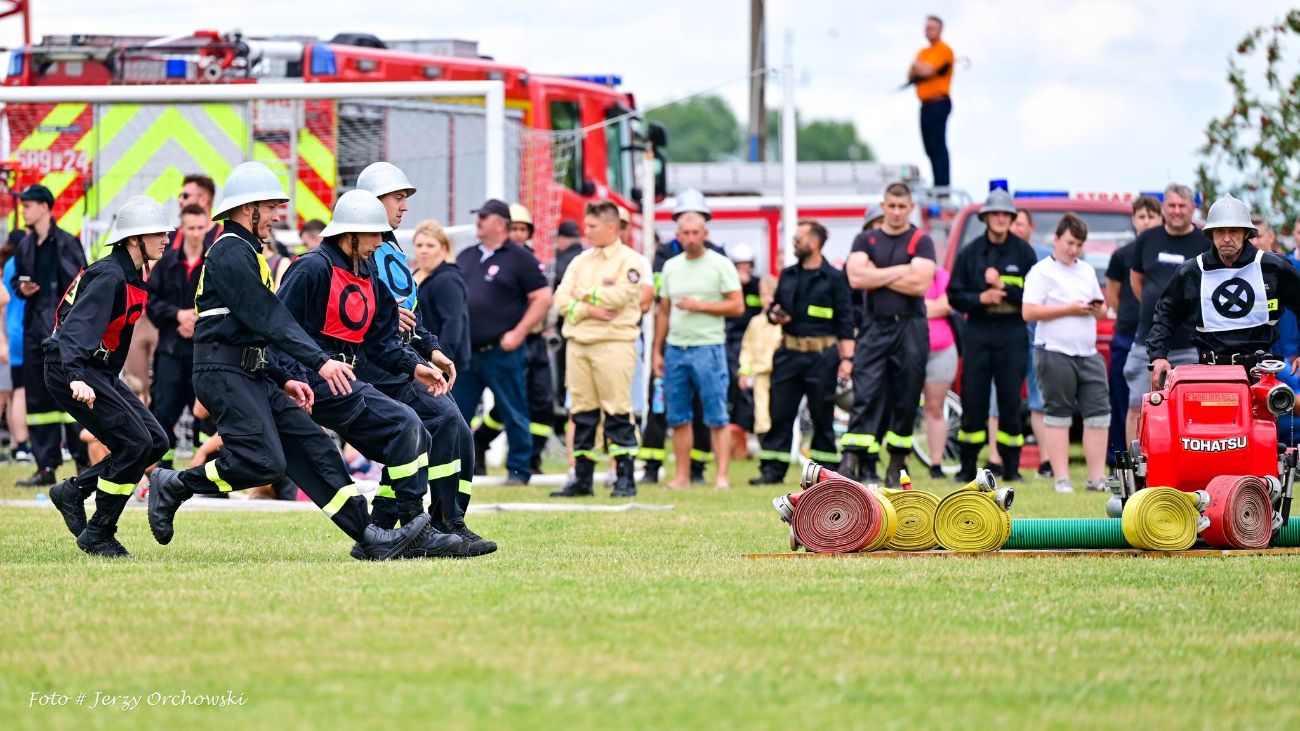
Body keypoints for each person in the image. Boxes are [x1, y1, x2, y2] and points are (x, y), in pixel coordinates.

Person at [146, 161, 431, 562]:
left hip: (252, 370)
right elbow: (269, 316)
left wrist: (282, 376)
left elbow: (259, 327)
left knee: (316, 447)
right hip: (222, 372)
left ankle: (369, 535)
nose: (279, 215)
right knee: (264, 462)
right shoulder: (229, 251)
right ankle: (175, 483)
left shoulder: (247, 250)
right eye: (273, 206)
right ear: (249, 209)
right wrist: (319, 362)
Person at [276, 189, 465, 558]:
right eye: (374, 235)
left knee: (410, 430)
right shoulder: (311, 267)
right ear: (350, 234)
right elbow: (276, 327)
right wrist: (288, 378)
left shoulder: (365, 273)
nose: (381, 243)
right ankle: (412, 530)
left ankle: (386, 532)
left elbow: (381, 343)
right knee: (406, 424)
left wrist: (417, 368)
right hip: (311, 380)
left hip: (345, 379)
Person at [356, 162, 494, 553]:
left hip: (404, 357)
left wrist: (432, 349)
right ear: (373, 200)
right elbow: (355, 315)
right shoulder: (358, 249)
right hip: (380, 366)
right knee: (446, 423)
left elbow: (407, 316)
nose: (404, 207)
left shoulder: (390, 247)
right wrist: (379, 319)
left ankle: (382, 524)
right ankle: (444, 524)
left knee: (443, 431)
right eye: (398, 198)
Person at [43, 197, 171, 557]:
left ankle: (73, 491)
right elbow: (73, 333)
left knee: (156, 441)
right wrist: (75, 376)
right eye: (157, 233)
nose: (165, 239)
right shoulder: (110, 276)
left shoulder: (135, 275)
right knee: (134, 444)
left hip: (94, 370)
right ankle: (99, 532)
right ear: (134, 240)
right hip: (73, 368)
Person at [549, 200, 647, 498]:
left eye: (592, 226)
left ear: (611, 227)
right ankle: (582, 478)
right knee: (582, 413)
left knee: (617, 411)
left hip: (614, 344)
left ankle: (625, 477)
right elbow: (560, 299)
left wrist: (584, 295)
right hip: (579, 344)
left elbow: (621, 295)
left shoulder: (631, 260)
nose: (586, 231)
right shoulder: (580, 260)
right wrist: (590, 308)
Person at [1148, 195, 1300, 384]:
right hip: (1209, 374)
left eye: (1233, 231)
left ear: (1246, 233)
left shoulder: (1273, 267)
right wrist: (1158, 356)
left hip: (1260, 374)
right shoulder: (1192, 271)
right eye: (1220, 231)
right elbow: (1165, 315)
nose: (1226, 238)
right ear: (1211, 234)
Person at [452, 198, 552, 485]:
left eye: (484, 217)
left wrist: (519, 332)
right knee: (457, 412)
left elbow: (543, 298)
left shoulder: (520, 258)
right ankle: (457, 470)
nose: (478, 221)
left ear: (500, 223)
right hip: (468, 352)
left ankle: (519, 471)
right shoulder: (467, 255)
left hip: (502, 350)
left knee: (513, 410)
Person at [842, 183, 936, 486]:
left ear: (911, 208)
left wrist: (878, 274)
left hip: (910, 326)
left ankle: (896, 465)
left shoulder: (921, 241)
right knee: (865, 393)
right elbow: (856, 277)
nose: (896, 212)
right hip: (874, 326)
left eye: (902, 207)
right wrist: (901, 270)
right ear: (883, 207)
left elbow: (920, 285)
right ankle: (851, 461)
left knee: (906, 396)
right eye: (891, 206)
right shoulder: (865, 238)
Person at [752, 220, 854, 485]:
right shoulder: (788, 274)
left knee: (822, 415)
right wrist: (775, 315)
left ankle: (825, 473)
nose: (795, 243)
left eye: (799, 239)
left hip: (822, 356)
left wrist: (847, 360)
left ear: (815, 243)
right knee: (781, 412)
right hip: (788, 352)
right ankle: (772, 470)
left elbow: (845, 319)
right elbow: (774, 308)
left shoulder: (834, 278)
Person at [947, 188, 1039, 482]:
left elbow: (1034, 295)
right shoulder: (970, 253)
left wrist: (1005, 288)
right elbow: (954, 295)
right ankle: (967, 467)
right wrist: (981, 298)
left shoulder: (1023, 252)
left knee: (1011, 399)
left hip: (1012, 331)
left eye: (1005, 214)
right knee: (973, 398)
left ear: (1011, 218)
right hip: (978, 330)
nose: (1000, 219)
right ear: (985, 217)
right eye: (994, 214)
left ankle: (1011, 468)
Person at [653, 209, 744, 489]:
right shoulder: (670, 267)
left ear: (705, 235)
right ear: (677, 236)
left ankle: (721, 476)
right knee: (678, 416)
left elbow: (737, 306)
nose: (691, 238)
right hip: (676, 349)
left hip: (709, 348)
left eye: (696, 233)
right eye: (685, 233)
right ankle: (681, 476)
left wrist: (700, 305)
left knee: (716, 415)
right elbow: (664, 312)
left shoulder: (721, 264)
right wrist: (658, 350)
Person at [640, 189, 724, 485]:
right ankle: (651, 465)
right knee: (662, 405)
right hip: (672, 341)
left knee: (702, 409)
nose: (690, 235)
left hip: (705, 342)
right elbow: (661, 301)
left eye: (697, 226)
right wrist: (657, 349)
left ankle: (698, 468)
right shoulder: (665, 255)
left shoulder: (717, 254)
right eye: (684, 227)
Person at [1022, 213, 1110, 493]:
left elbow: (1103, 309)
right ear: (1056, 239)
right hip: (1054, 352)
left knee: (1099, 413)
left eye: (1079, 245)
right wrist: (1068, 309)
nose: (1073, 249)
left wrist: (1098, 309)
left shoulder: (1085, 270)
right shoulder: (1041, 272)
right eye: (1069, 243)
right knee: (1058, 414)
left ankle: (1095, 479)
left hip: (1087, 352)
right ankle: (1062, 478)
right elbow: (1029, 312)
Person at [12, 184, 87, 487]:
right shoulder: (25, 246)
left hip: (62, 332)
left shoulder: (67, 243)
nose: (24, 211)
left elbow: (82, 282)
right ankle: (46, 467)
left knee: (73, 399)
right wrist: (21, 288)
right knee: (38, 403)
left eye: (28, 206)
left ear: (45, 208)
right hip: (33, 332)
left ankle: (84, 461)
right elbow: (18, 280)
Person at [1123, 184, 1206, 441]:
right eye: (1172, 205)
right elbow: (1137, 281)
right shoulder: (1147, 239)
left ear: (1193, 208)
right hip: (1145, 343)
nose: (1177, 211)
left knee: (1189, 410)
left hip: (1189, 343)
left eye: (1183, 205)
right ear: (1163, 208)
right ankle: (1134, 469)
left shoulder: (1205, 240)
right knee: (1138, 406)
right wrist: (1159, 310)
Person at [147, 203, 209, 465]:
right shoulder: (166, 263)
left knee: (204, 415)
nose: (195, 233)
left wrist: (198, 320)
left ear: (207, 228)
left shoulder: (213, 262)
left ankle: (203, 469)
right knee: (163, 411)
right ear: (183, 228)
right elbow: (150, 301)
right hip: (170, 350)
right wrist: (177, 315)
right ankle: (163, 469)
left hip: (202, 352)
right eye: (190, 228)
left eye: (200, 228)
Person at [1104, 195, 1161, 462]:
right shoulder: (1121, 255)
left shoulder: (1164, 253)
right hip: (1127, 335)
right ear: (1133, 220)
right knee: (1122, 399)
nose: (1146, 221)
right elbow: (1113, 294)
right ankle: (1118, 458)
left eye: (1151, 216)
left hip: (1159, 337)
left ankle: (1156, 456)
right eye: (1141, 216)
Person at [413, 220, 470, 376]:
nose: (423, 250)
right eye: (419, 245)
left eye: (430, 245)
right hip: (419, 360)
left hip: (445, 364)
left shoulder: (448, 279)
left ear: (444, 248)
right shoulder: (412, 276)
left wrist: (440, 362)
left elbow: (452, 324)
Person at [909, 15, 955, 191]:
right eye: (927, 28)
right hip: (925, 105)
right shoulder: (923, 52)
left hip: (939, 102)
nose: (929, 31)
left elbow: (928, 70)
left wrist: (920, 67)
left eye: (932, 28)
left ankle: (943, 186)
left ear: (940, 30)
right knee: (929, 147)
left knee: (938, 145)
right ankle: (937, 184)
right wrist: (919, 67)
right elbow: (912, 73)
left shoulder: (944, 50)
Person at [724, 243, 762, 446]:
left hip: (752, 342)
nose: (744, 269)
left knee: (748, 387)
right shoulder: (726, 285)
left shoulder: (757, 284)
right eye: (739, 265)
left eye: (747, 264)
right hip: (729, 340)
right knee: (731, 385)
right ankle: (730, 433)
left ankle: (747, 431)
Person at [923, 262, 957, 478]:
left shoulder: (940, 275)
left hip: (942, 349)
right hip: (908, 349)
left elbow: (946, 305)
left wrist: (918, 308)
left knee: (935, 407)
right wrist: (930, 306)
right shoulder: (904, 275)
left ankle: (936, 464)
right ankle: (900, 465)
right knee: (904, 409)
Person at [738, 276, 782, 437]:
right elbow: (747, 349)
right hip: (760, 376)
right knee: (761, 413)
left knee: (779, 412)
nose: (767, 299)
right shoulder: (756, 322)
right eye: (763, 294)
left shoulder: (783, 322)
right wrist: (745, 371)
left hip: (780, 375)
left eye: (771, 294)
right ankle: (764, 444)